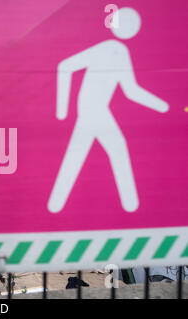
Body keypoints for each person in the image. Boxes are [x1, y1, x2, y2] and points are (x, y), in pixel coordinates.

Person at [48, 7, 169, 213]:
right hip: (92, 110)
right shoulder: (110, 48)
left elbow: (130, 90)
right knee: (111, 148)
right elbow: (65, 67)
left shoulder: (118, 50)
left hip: (94, 110)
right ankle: (131, 206)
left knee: (82, 152)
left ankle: (57, 204)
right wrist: (62, 110)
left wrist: (162, 106)